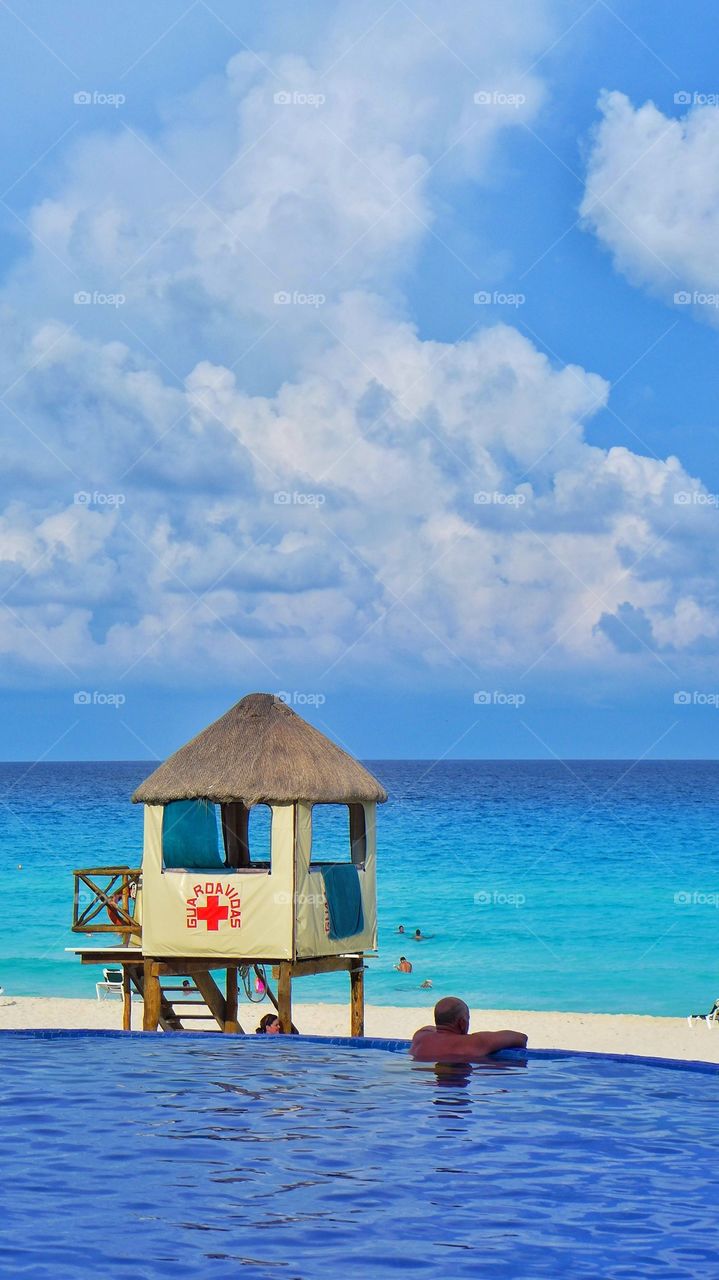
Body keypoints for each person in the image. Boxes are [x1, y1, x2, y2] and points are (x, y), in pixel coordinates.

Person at [409, 996, 527, 1062]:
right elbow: (521, 1038)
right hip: (458, 1085)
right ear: (462, 1023)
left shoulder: (420, 1036)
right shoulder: (474, 1042)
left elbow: (430, 1028)